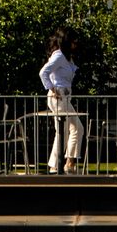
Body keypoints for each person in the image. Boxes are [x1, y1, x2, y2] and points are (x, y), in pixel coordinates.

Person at [39, 28, 85, 174]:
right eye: (73, 40)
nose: (75, 43)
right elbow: (43, 72)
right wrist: (52, 89)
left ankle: (65, 163)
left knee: (72, 129)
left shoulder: (66, 57)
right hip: (57, 98)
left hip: (64, 98)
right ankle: (59, 165)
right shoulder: (58, 55)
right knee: (68, 130)